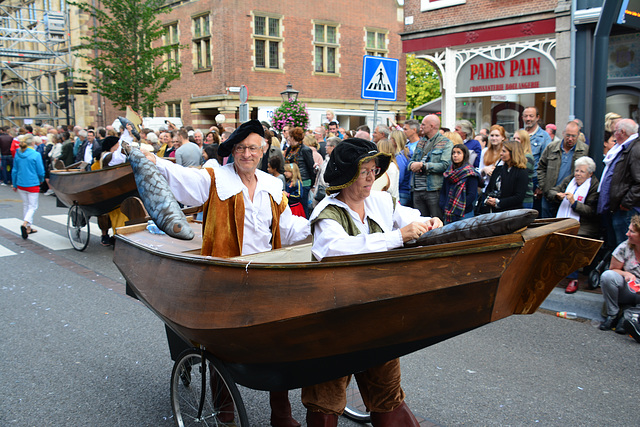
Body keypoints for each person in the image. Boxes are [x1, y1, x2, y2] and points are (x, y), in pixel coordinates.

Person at [146, 119, 308, 427]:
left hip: (264, 274)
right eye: (240, 148)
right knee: (221, 347)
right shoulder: (215, 178)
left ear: (264, 150)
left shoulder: (273, 185)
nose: (246, 154)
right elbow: (184, 179)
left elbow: (286, 228)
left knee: (278, 343)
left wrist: (318, 228)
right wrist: (155, 161)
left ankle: (281, 415)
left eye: (253, 148)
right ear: (232, 151)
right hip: (225, 277)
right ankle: (225, 414)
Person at [303, 138, 442, 426]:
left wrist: (430, 223)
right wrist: (398, 236)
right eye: (364, 171)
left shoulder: (381, 201)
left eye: (373, 169)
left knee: (386, 390)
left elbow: (412, 218)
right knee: (326, 398)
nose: (371, 177)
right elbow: (338, 249)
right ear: (346, 176)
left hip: (377, 313)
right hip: (334, 319)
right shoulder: (326, 214)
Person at [549, 156, 600, 293]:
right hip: (564, 220)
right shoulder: (570, 180)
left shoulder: (594, 185)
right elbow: (552, 190)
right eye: (577, 171)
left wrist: (574, 203)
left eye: (582, 172)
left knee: (573, 242)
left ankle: (574, 279)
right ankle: (555, 275)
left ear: (590, 174)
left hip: (584, 224)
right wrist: (557, 195)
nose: (577, 174)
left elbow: (591, 211)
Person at [536, 121, 589, 218]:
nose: (570, 139)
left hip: (570, 196)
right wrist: (544, 187)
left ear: (578, 135)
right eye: (568, 135)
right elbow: (541, 167)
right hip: (550, 195)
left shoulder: (584, 150)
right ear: (563, 133)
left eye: (573, 136)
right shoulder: (551, 147)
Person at [599, 215, 640, 334]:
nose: (627, 234)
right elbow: (613, 270)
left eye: (632, 231)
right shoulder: (624, 247)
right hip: (628, 288)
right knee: (607, 276)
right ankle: (613, 314)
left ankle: (629, 316)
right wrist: (625, 273)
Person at [408, 114, 453, 220]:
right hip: (417, 189)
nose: (421, 127)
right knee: (420, 222)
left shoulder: (446, 143)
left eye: (423, 124)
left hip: (433, 190)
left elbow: (445, 165)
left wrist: (424, 166)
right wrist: (412, 165)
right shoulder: (421, 142)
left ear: (432, 126)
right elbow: (411, 161)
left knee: (436, 222)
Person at [607, 119, 640, 247]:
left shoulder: (635, 148)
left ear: (622, 132)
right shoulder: (626, 147)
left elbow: (639, 182)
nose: (614, 135)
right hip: (619, 208)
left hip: (627, 210)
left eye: (615, 131)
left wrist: (626, 202)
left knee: (625, 248)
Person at [479, 141, 528, 214]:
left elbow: (519, 196)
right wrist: (489, 199)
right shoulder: (498, 169)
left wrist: (499, 202)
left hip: (512, 213)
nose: (501, 153)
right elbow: (489, 188)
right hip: (494, 212)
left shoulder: (521, 172)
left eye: (504, 151)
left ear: (513, 153)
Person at [12, 134, 45, 239]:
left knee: (26, 205)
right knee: (33, 206)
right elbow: (40, 171)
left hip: (21, 183)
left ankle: (29, 227)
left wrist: (14, 183)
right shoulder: (35, 154)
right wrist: (41, 179)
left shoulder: (18, 153)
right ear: (32, 143)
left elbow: (14, 170)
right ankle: (25, 224)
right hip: (33, 182)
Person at [439, 143, 480, 224]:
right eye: (453, 153)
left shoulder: (470, 172)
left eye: (458, 153)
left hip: (464, 213)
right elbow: (443, 191)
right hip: (448, 212)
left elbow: (471, 195)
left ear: (465, 155)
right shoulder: (449, 172)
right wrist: (443, 205)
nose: (455, 155)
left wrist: (459, 206)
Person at [285, 127, 316, 218]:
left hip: (303, 182)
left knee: (303, 207)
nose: (288, 138)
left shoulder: (305, 150)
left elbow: (311, 168)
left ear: (293, 137)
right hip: (291, 181)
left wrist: (311, 183)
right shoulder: (290, 149)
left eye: (290, 136)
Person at [513, 129, 535, 209]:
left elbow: (519, 177)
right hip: (515, 198)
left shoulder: (528, 158)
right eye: (514, 138)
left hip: (525, 199)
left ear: (524, 141)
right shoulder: (514, 156)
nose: (515, 141)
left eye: (518, 139)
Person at [391, 130, 412, 206]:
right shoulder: (405, 154)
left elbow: (399, 177)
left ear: (395, 141)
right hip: (404, 192)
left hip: (401, 192)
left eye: (391, 138)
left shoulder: (400, 157)